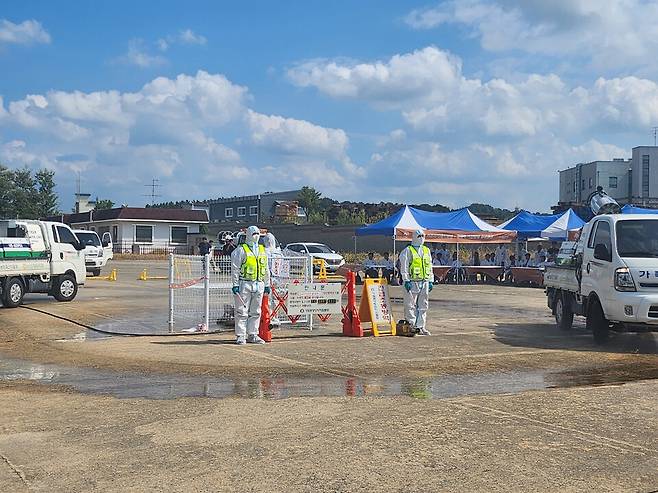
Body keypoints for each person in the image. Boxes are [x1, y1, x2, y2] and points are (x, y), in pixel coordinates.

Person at [231, 225, 270, 345]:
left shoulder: (262, 250)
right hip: (245, 283)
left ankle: (253, 334)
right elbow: (235, 269)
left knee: (256, 311)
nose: (256, 236)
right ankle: (241, 335)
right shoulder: (241, 250)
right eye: (254, 234)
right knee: (241, 311)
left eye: (258, 234)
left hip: (259, 284)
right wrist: (235, 284)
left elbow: (266, 269)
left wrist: (267, 284)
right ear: (248, 235)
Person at [399, 230, 434, 336]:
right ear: (414, 237)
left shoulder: (426, 250)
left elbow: (429, 266)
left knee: (423, 305)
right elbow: (404, 266)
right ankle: (412, 325)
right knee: (410, 305)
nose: (421, 238)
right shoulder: (407, 251)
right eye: (419, 236)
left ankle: (421, 326)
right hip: (412, 281)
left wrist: (431, 280)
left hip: (424, 281)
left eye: (423, 236)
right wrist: (406, 280)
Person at [262, 232, 282, 325]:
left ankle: (269, 316)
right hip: (277, 277)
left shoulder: (265, 251)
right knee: (276, 298)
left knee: (268, 298)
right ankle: (275, 316)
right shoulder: (278, 252)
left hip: (268, 278)